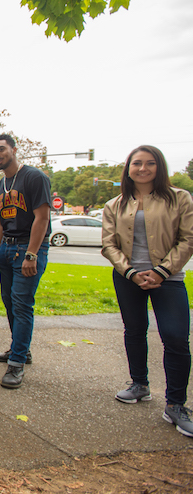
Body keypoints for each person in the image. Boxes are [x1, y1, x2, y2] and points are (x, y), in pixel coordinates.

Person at [101, 145, 193, 438]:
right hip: (128, 277)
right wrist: (130, 272)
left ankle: (176, 404)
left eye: (150, 163)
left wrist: (161, 271)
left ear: (159, 167)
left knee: (176, 337)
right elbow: (108, 244)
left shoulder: (179, 198)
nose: (143, 168)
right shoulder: (115, 204)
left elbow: (187, 239)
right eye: (137, 163)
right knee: (135, 330)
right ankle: (139, 384)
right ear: (128, 168)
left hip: (169, 278)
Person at [0, 134, 51, 389]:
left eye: (1, 150)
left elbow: (42, 217)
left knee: (22, 304)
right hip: (6, 249)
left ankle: (16, 364)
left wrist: (32, 254)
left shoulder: (34, 177)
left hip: (28, 247)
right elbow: (0, 222)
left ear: (14, 149)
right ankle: (20, 349)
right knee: (10, 304)